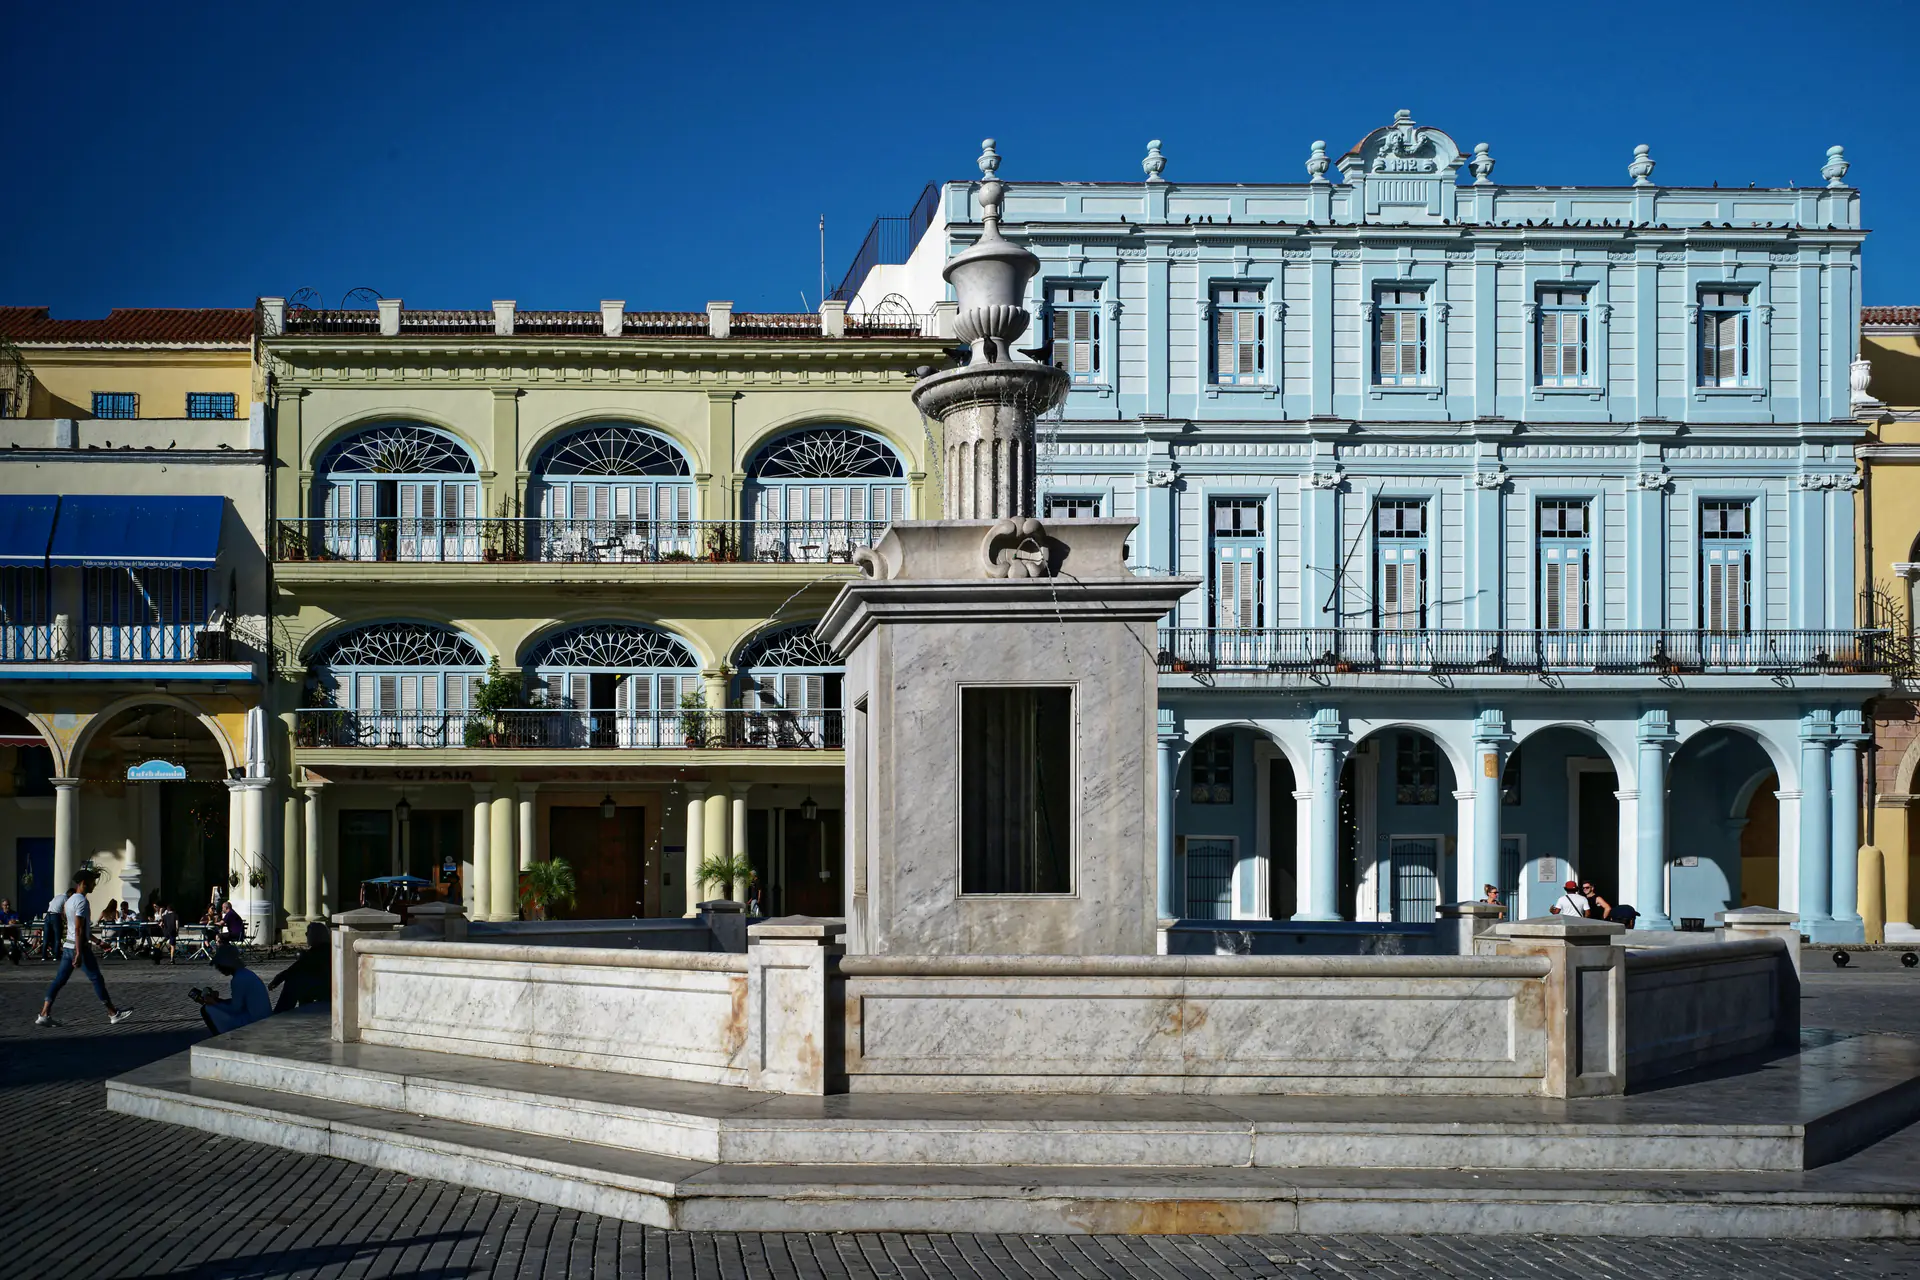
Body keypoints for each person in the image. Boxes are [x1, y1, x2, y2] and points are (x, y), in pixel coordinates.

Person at [36, 868, 133, 1027]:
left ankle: (44, 1014)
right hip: (78, 947)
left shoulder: (69, 901)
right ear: (83, 883)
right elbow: (79, 929)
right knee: (96, 979)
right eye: (92, 882)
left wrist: (98, 942)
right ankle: (113, 1013)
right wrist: (80, 952)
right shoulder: (81, 901)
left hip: (69, 945)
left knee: (59, 980)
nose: (94, 885)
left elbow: (78, 928)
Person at [194, 943, 271, 1035]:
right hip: (262, 1016)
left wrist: (214, 1003)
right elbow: (240, 1002)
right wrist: (219, 1001)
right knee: (219, 1006)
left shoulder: (238, 979)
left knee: (207, 1009)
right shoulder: (245, 973)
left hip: (254, 1021)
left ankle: (220, 1038)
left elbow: (235, 1009)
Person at [269, 922, 332, 1012]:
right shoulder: (327, 949)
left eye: (308, 932)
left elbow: (295, 969)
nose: (306, 935)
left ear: (315, 935)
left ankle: (280, 1012)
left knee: (293, 981)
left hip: (325, 989)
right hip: (326, 986)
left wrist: (278, 978)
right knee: (300, 979)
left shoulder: (317, 952)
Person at [42, 887, 68, 959]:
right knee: (57, 937)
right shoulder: (66, 898)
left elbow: (50, 903)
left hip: (48, 915)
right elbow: (66, 910)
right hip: (56, 916)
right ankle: (56, 956)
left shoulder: (57, 897)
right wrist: (66, 920)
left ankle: (44, 956)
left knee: (46, 937)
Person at [0, 898, 21, 965]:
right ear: (2, 906)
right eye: (5, 905)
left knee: (14, 935)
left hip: (12, 932)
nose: (7, 907)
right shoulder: (0, 914)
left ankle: (14, 955)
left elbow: (17, 920)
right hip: (2, 931)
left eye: (8, 905)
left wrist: (14, 921)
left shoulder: (13, 913)